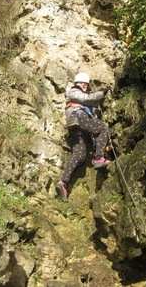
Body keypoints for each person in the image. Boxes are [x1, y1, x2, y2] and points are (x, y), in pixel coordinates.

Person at [56, 72, 111, 201]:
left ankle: (63, 183)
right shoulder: (74, 92)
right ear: (76, 84)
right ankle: (99, 158)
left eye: (85, 84)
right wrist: (102, 93)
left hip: (78, 129)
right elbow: (86, 99)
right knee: (104, 129)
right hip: (79, 118)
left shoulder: (82, 98)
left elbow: (91, 107)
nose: (83, 85)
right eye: (81, 83)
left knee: (79, 156)